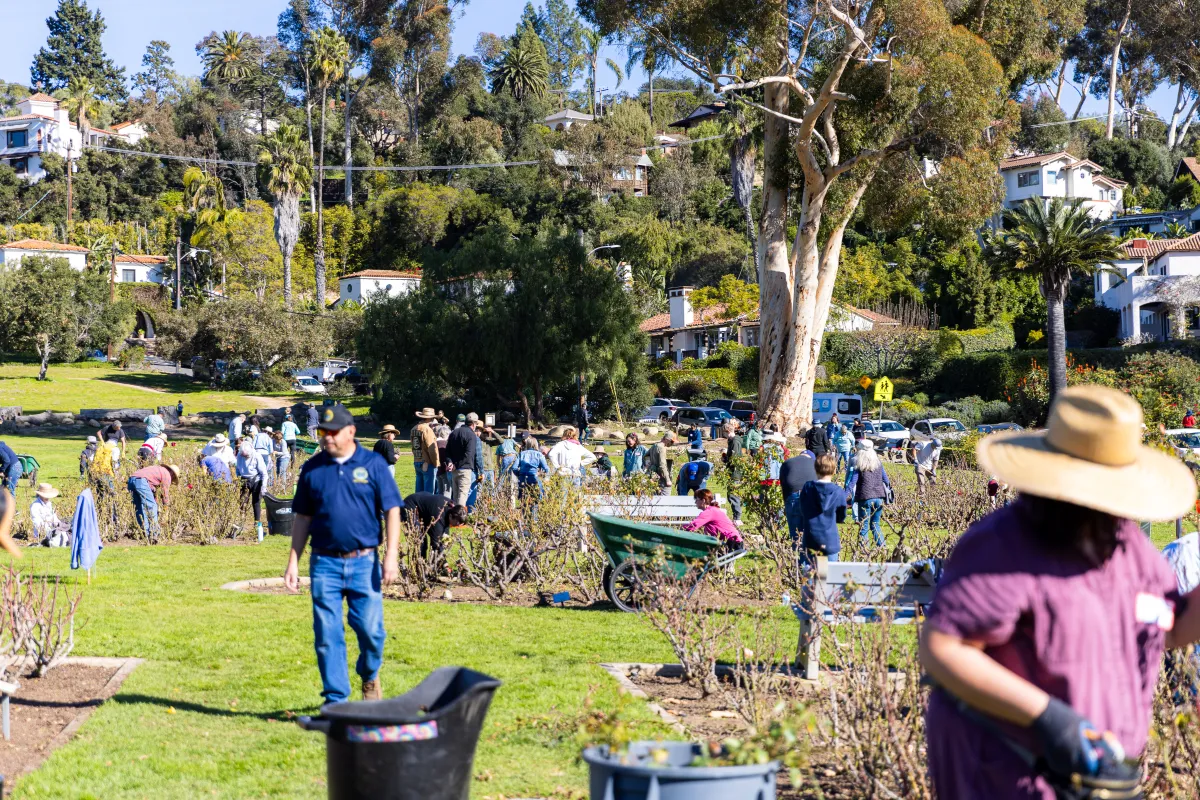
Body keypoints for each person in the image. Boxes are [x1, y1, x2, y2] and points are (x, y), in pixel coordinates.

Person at [920, 385, 1200, 799]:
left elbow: (1168, 627)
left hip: (1095, 781)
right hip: (1007, 776)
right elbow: (943, 647)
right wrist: (1049, 719)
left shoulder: (1127, 545)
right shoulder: (1004, 546)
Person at [283, 403, 402, 705]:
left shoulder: (373, 464)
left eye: (333, 432)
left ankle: (369, 674)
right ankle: (336, 700)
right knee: (327, 634)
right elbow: (302, 519)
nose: (327, 438)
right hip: (324, 563)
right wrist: (293, 561)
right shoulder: (313, 468)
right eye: (323, 432)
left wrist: (391, 556)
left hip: (364, 561)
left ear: (351, 431)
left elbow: (392, 509)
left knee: (371, 631)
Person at [797, 453, 846, 566]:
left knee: (809, 575)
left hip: (811, 537)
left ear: (816, 469)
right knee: (831, 575)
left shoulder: (807, 487)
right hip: (830, 538)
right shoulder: (838, 491)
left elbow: (802, 508)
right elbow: (841, 515)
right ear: (834, 471)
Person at [847, 440, 892, 547]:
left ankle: (864, 550)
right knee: (876, 525)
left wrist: (843, 496)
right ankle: (882, 547)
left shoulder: (859, 464)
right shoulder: (878, 464)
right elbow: (886, 480)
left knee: (864, 526)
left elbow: (852, 483)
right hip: (879, 498)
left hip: (865, 498)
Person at [401, 492, 468, 561]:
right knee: (421, 542)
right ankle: (420, 567)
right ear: (451, 516)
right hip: (410, 506)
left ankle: (431, 567)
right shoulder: (439, 515)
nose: (457, 526)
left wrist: (445, 541)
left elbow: (444, 537)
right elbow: (436, 543)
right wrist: (443, 562)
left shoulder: (454, 509)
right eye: (456, 523)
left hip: (426, 509)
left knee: (442, 541)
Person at [127, 463, 180, 543]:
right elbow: (165, 494)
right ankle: (154, 533)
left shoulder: (158, 470)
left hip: (131, 480)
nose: (172, 480)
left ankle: (144, 531)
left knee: (139, 507)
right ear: (172, 474)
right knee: (152, 506)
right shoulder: (167, 475)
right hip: (141, 481)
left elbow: (151, 488)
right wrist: (166, 508)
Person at [780, 449, 819, 543]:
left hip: (793, 495)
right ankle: (810, 555)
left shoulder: (788, 462)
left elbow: (783, 485)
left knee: (795, 533)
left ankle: (797, 554)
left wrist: (786, 503)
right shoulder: (816, 464)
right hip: (810, 497)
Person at [236, 441, 270, 541]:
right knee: (242, 502)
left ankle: (257, 522)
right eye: (243, 455)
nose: (245, 457)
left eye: (246, 455)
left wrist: (263, 486)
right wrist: (238, 478)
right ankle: (241, 522)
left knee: (256, 502)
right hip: (244, 479)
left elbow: (264, 473)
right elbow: (238, 468)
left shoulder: (257, 456)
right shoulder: (239, 455)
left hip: (256, 479)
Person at [445, 414, 480, 505]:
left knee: (455, 497)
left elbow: (447, 451)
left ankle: (453, 517)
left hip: (454, 470)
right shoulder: (471, 435)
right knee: (462, 496)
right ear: (473, 424)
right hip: (464, 469)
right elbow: (469, 454)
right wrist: (456, 464)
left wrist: (450, 462)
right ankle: (459, 518)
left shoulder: (454, 432)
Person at [411, 408, 440, 494]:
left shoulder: (414, 428)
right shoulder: (427, 430)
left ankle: (417, 507)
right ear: (429, 418)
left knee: (419, 491)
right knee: (428, 492)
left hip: (417, 460)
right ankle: (426, 507)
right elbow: (432, 448)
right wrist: (436, 463)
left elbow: (413, 446)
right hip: (427, 463)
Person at [515, 436, 549, 500]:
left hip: (523, 478)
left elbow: (514, 467)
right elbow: (546, 469)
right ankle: (534, 509)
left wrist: (519, 474)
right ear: (536, 444)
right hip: (534, 477)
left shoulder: (521, 454)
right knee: (536, 497)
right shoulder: (539, 455)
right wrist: (540, 473)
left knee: (523, 498)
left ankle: (524, 508)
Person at [723, 424, 745, 522]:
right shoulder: (731, 441)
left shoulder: (735, 442)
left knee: (733, 495)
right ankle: (736, 516)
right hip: (732, 471)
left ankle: (737, 517)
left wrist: (726, 458)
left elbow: (735, 459)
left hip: (735, 472)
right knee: (731, 494)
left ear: (727, 431)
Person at [434, 424, 452, 497]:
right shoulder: (443, 443)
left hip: (437, 470)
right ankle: (446, 507)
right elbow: (444, 458)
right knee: (447, 490)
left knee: (440, 491)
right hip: (444, 470)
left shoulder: (435, 442)